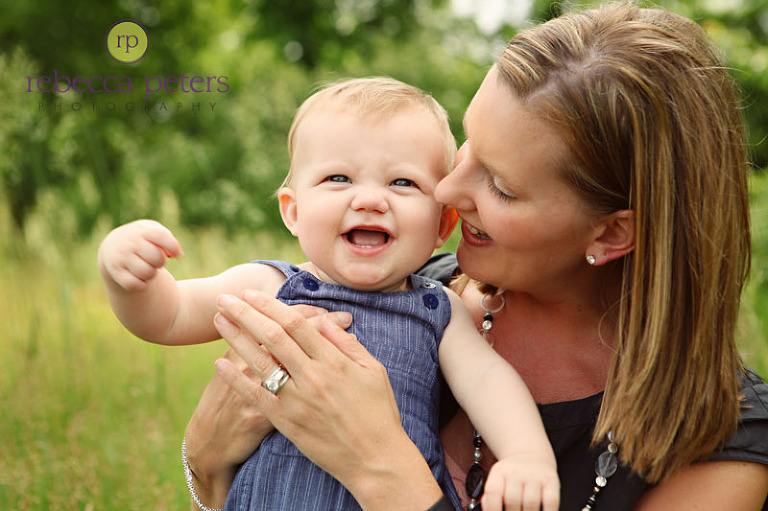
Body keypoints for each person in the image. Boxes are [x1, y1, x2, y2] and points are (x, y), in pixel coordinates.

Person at [184, 1, 768, 510]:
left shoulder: (723, 451)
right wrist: (206, 463)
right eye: (466, 146)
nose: (447, 191)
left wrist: (380, 467)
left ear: (611, 234)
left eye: (502, 186)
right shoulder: (412, 288)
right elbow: (227, 477)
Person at [98, 77, 560, 510]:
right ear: (294, 211)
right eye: (339, 179)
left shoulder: (440, 310)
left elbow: (489, 382)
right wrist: (130, 278)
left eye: (402, 183)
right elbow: (169, 315)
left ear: (442, 225)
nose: (369, 199)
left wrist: (525, 455)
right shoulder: (270, 286)